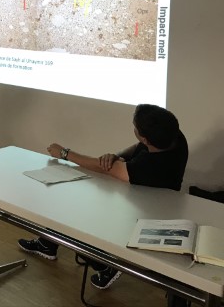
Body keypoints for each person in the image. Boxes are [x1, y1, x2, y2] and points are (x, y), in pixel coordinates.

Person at [18, 104, 188, 292]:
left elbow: (104, 168)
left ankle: (105, 267)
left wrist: (65, 153)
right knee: (76, 204)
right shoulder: (174, 137)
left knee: (79, 216)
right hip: (147, 198)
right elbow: (136, 148)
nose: (133, 129)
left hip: (145, 213)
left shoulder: (148, 166)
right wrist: (115, 155)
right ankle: (47, 243)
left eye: (135, 127)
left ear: (145, 138)